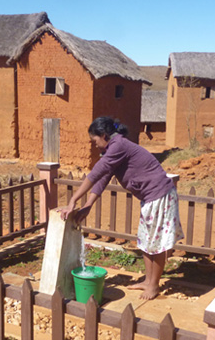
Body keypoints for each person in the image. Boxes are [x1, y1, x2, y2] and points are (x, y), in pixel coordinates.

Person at [60, 116, 184, 300]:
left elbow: (95, 173)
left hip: (159, 195)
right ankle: (148, 281)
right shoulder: (113, 149)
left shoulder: (118, 146)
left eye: (94, 141)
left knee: (156, 244)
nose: (94, 145)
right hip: (150, 198)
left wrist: (73, 200)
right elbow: (103, 178)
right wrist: (87, 205)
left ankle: (154, 286)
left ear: (103, 135)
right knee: (145, 241)